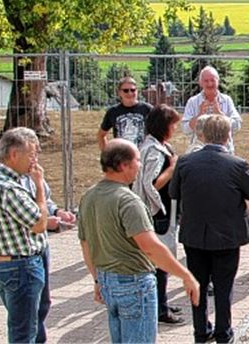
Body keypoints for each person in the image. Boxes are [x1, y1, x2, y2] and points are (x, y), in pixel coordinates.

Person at [78, 139, 199, 344]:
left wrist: (97, 279)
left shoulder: (89, 196)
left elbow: (85, 243)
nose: (140, 165)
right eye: (137, 160)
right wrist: (186, 275)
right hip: (133, 283)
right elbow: (150, 247)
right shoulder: (128, 201)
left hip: (108, 280)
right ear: (123, 165)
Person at [170, 115, 249, 343]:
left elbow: (173, 192)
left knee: (196, 285)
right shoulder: (237, 164)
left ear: (202, 135)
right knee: (223, 287)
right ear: (228, 135)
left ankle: (200, 332)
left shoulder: (185, 162)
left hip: (195, 236)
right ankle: (223, 332)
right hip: (226, 237)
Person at [0, 127, 49, 343]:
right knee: (23, 332)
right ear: (15, 154)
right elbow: (39, 224)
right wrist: (39, 189)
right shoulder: (9, 189)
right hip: (21, 266)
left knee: (28, 321)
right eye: (32, 155)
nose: (35, 161)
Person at [133, 105, 184, 325]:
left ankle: (160, 300)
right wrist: (172, 169)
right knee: (159, 261)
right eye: (173, 124)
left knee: (163, 260)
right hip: (158, 212)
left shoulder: (160, 146)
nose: (175, 128)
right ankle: (160, 308)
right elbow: (151, 183)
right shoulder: (153, 151)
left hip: (165, 209)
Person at [20, 173, 77, 343]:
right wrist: (46, 222)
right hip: (22, 254)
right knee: (26, 316)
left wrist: (58, 212)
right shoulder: (9, 185)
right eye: (32, 153)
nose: (35, 158)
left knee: (42, 304)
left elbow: (46, 202)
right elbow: (33, 221)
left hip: (40, 247)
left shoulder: (35, 174)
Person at [181, 66, 241, 153]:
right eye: (206, 81)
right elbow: (185, 129)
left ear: (218, 81)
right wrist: (199, 115)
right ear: (200, 83)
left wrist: (220, 114)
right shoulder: (193, 101)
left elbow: (237, 126)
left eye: (213, 80)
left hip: (224, 151)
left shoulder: (227, 100)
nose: (210, 84)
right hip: (198, 152)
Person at [98, 76, 153, 150]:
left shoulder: (148, 109)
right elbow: (101, 135)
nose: (130, 93)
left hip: (143, 157)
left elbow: (161, 133)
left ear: (137, 91)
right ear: (119, 92)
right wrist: (107, 156)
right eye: (126, 90)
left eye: (133, 90)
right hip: (122, 157)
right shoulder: (112, 112)